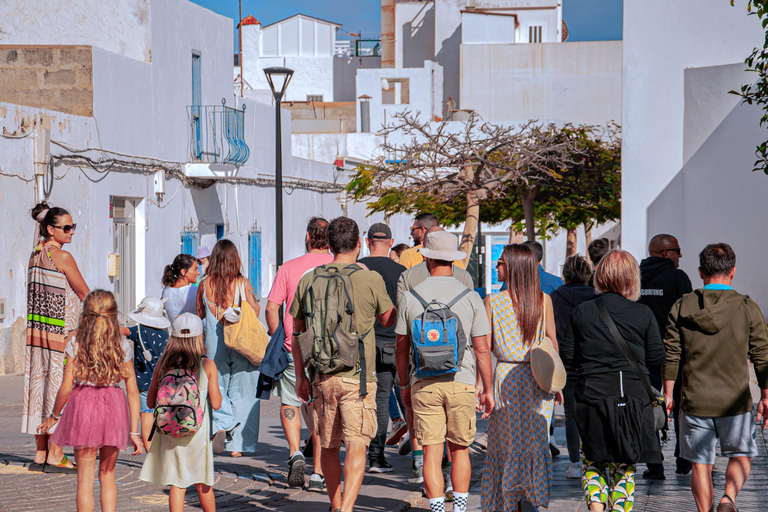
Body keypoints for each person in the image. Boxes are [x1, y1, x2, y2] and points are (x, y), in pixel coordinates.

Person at [292, 216, 396, 512]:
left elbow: (297, 331)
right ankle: (347, 508)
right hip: (359, 377)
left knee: (328, 444)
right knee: (357, 444)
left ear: (329, 245)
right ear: (359, 243)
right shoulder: (369, 279)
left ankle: (336, 504)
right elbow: (389, 318)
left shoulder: (309, 278)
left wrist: (301, 376)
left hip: (321, 376)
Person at [663, 243, 768, 512]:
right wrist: (766, 396)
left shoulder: (682, 306)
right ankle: (727, 499)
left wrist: (668, 394)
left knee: (700, 465)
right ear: (733, 272)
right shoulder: (747, 307)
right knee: (741, 454)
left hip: (695, 400)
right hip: (735, 401)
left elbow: (672, 353)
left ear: (700, 272)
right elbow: (762, 356)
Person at [395, 230, 494, 512]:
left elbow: (401, 349)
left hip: (423, 383)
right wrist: (488, 389)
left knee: (431, 451)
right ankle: (459, 510)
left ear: (427, 258)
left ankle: (438, 510)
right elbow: (482, 350)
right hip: (461, 382)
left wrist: (404, 385)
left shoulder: (411, 297)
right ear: (454, 260)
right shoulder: (470, 297)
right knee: (460, 450)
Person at [561, 250, 665, 512]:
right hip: (631, 398)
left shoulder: (583, 311)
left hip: (591, 395)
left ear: (600, 276)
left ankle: (596, 507)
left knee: (592, 459)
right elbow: (656, 356)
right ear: (632, 278)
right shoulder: (643, 313)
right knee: (625, 461)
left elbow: (568, 355)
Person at [37, 290, 142, 511]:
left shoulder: (76, 343)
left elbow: (66, 387)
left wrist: (54, 416)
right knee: (108, 474)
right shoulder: (122, 345)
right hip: (113, 405)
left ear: (85, 314)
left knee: (85, 480)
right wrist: (134, 431)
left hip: (83, 403)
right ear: (114, 315)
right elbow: (133, 391)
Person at [481, 244, 559, 512]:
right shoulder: (544, 300)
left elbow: (485, 348)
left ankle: (510, 501)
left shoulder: (492, 302)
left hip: (506, 379)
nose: (496, 266)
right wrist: (556, 382)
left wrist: (484, 386)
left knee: (507, 443)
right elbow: (552, 343)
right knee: (536, 442)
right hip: (539, 378)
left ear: (514, 267)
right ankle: (530, 497)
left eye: (501, 262)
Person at [265, 217, 333, 490]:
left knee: (291, 401)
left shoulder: (290, 267)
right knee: (319, 407)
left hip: (295, 345)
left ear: (307, 237)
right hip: (329, 348)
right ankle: (318, 473)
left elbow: (271, 308)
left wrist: (279, 337)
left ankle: (295, 452)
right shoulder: (337, 265)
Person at [23, 202, 89, 473]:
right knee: (61, 390)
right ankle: (56, 453)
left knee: (40, 389)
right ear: (50, 229)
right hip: (61, 333)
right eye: (66, 227)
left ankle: (41, 452)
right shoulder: (62, 257)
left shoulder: (35, 254)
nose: (71, 232)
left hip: (37, 334)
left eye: (73, 227)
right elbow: (85, 294)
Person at [140, 313, 223, 512]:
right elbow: (217, 404)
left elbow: (150, 402)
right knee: (203, 483)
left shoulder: (163, 364)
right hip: (197, 434)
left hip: (169, 433)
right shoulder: (206, 364)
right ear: (200, 337)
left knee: (177, 484)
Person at [196, 239, 261, 456]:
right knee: (245, 389)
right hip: (241, 340)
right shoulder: (242, 282)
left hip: (214, 341)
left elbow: (200, 314)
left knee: (216, 384)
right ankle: (237, 447)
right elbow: (255, 310)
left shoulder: (204, 284)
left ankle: (222, 424)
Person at [639, 233, 693, 478]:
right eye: (677, 250)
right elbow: (688, 319)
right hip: (675, 354)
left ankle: (654, 464)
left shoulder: (637, 276)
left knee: (649, 406)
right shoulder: (678, 278)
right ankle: (683, 460)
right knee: (681, 405)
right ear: (665, 253)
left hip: (643, 355)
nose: (680, 255)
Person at [358, 222, 407, 473]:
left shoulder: (357, 269)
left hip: (363, 344)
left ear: (367, 242)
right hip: (394, 343)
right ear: (391, 242)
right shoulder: (402, 272)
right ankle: (421, 457)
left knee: (371, 400)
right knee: (405, 395)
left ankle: (374, 456)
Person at [549, 254, 597, 479]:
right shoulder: (596, 297)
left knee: (570, 414)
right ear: (587, 275)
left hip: (565, 361)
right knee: (592, 412)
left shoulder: (555, 297)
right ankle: (592, 459)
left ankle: (575, 463)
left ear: (565, 275)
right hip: (592, 361)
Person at [126, 297, 171, 452]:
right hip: (163, 383)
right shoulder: (165, 336)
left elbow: (121, 331)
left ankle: (150, 452)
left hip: (144, 383)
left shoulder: (138, 332)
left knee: (146, 417)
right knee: (163, 417)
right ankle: (162, 452)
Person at [162, 253, 201, 324]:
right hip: (192, 330)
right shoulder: (193, 291)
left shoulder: (166, 291)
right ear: (183, 272)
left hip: (173, 330)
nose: (198, 273)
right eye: (195, 269)